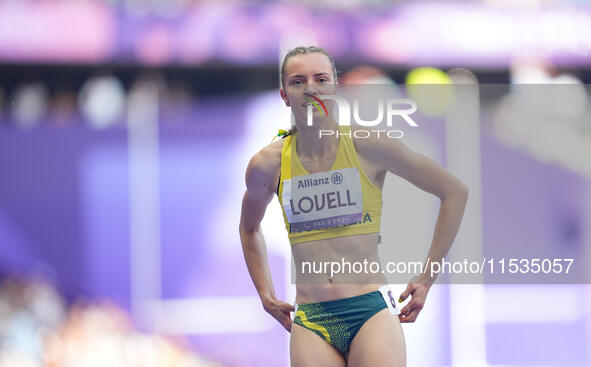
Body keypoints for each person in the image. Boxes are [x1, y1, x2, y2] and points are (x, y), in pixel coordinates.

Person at [239, 46, 469, 367]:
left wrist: (427, 277)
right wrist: (265, 295)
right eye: (298, 81)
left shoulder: (367, 145)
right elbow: (249, 227)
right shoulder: (268, 164)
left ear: (335, 87)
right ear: (284, 94)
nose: (311, 89)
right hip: (312, 318)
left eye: (321, 79)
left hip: (369, 312)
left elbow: (454, 192)